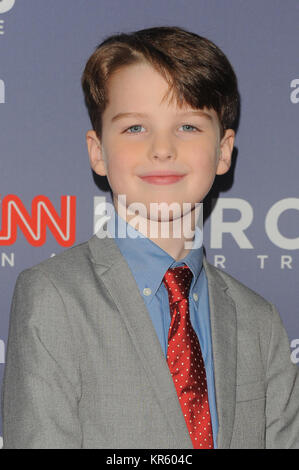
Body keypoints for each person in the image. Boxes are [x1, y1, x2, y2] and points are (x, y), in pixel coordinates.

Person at [2, 26, 299, 449]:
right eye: (136, 128)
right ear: (98, 151)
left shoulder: (258, 321)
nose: (162, 149)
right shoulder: (54, 296)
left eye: (189, 127)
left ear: (223, 151)